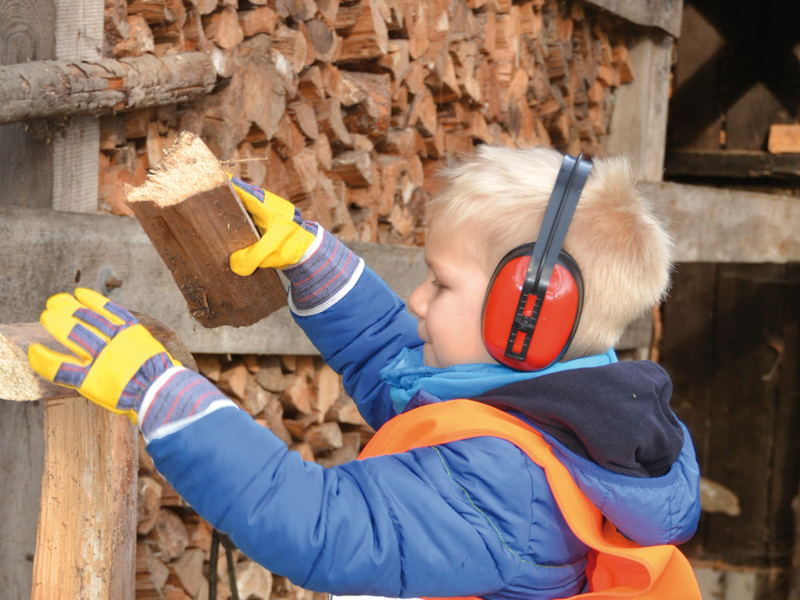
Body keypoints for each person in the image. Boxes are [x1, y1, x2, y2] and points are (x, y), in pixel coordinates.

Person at [28, 145, 701, 600]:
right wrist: (309, 258)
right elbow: (394, 362)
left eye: (440, 285)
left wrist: (160, 392)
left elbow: (319, 524)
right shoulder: (559, 410)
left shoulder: (507, 486)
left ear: (529, 316)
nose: (418, 301)